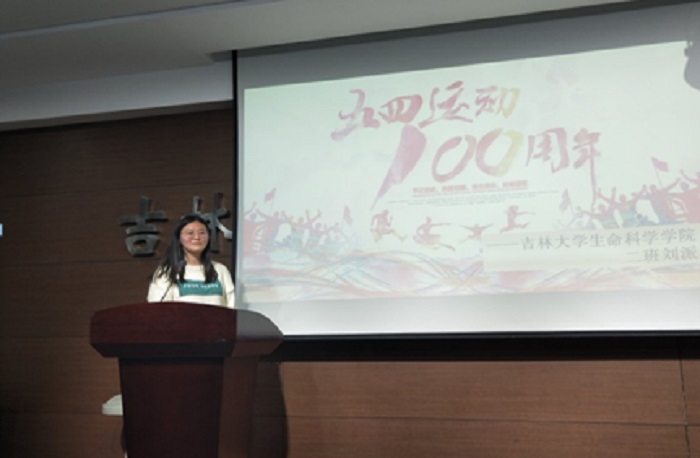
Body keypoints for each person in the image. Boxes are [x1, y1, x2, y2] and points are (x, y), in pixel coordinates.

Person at [147, 213, 235, 308]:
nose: (197, 237)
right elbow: (158, 309)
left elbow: (232, 305)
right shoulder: (167, 271)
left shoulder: (220, 270)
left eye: (202, 233)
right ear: (179, 238)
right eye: (190, 233)